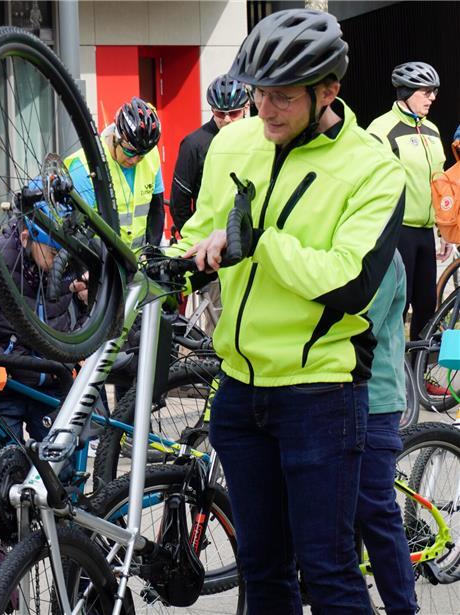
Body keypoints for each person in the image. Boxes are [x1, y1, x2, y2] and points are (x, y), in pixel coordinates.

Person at [176, 9, 405, 613]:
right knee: (263, 572)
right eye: (257, 94)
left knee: (328, 575)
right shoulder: (235, 141)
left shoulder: (373, 168)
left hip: (322, 397)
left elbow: (351, 282)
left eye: (282, 97)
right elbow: (200, 234)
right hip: (239, 391)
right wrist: (164, 259)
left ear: (328, 90)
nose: (264, 109)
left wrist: (262, 243)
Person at [0, 206, 80, 466]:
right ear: (25, 238)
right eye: (53, 253)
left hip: (52, 383)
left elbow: (94, 310)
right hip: (5, 383)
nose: (59, 262)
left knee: (59, 473)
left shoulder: (70, 262)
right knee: (1, 470)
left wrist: (77, 354)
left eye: (63, 253)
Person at [368, 62, 448, 341]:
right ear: (406, 92)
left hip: (427, 231)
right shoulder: (381, 129)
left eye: (434, 91)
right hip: (397, 230)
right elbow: (368, 182)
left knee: (427, 305)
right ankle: (393, 375)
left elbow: (438, 183)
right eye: (426, 91)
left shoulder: (433, 131)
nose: (432, 98)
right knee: (396, 305)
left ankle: (419, 371)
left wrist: (444, 227)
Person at [356, 251, 418, 614]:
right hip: (338, 398)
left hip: (375, 401)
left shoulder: (381, 255)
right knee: (341, 518)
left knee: (375, 513)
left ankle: (401, 608)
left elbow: (359, 325)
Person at [66, 97, 165, 250]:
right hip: (100, 263)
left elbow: (156, 209)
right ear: (116, 136)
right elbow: (77, 233)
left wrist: (152, 252)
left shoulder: (151, 155)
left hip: (137, 262)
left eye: (141, 155)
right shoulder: (84, 168)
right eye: (129, 151)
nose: (134, 160)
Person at [171, 74, 250, 230]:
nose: (227, 119)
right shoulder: (193, 144)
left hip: (246, 235)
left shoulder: (258, 138)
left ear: (246, 108)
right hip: (207, 239)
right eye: (220, 113)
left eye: (234, 113)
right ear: (212, 109)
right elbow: (179, 203)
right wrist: (194, 240)